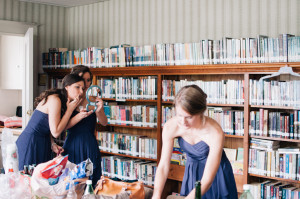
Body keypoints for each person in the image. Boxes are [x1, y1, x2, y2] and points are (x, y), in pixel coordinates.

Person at [152, 85, 238, 199]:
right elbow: (163, 166)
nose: (183, 122)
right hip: (192, 172)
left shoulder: (215, 133)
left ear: (201, 112)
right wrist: (156, 195)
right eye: (179, 115)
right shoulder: (170, 127)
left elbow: (207, 179)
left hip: (216, 175)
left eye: (189, 117)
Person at [16, 74, 84, 170]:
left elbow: (56, 126)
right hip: (31, 142)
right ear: (67, 87)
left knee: (42, 181)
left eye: (83, 88)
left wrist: (52, 144)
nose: (81, 92)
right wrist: (69, 110)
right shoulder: (55, 100)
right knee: (29, 179)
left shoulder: (64, 100)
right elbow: (56, 132)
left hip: (44, 142)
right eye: (77, 87)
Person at [62, 65, 108, 187]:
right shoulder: (68, 100)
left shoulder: (93, 99)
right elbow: (62, 126)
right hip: (71, 144)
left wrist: (99, 110)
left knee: (91, 180)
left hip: (89, 144)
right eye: (83, 79)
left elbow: (104, 122)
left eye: (89, 80)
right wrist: (78, 116)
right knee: (71, 181)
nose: (86, 83)